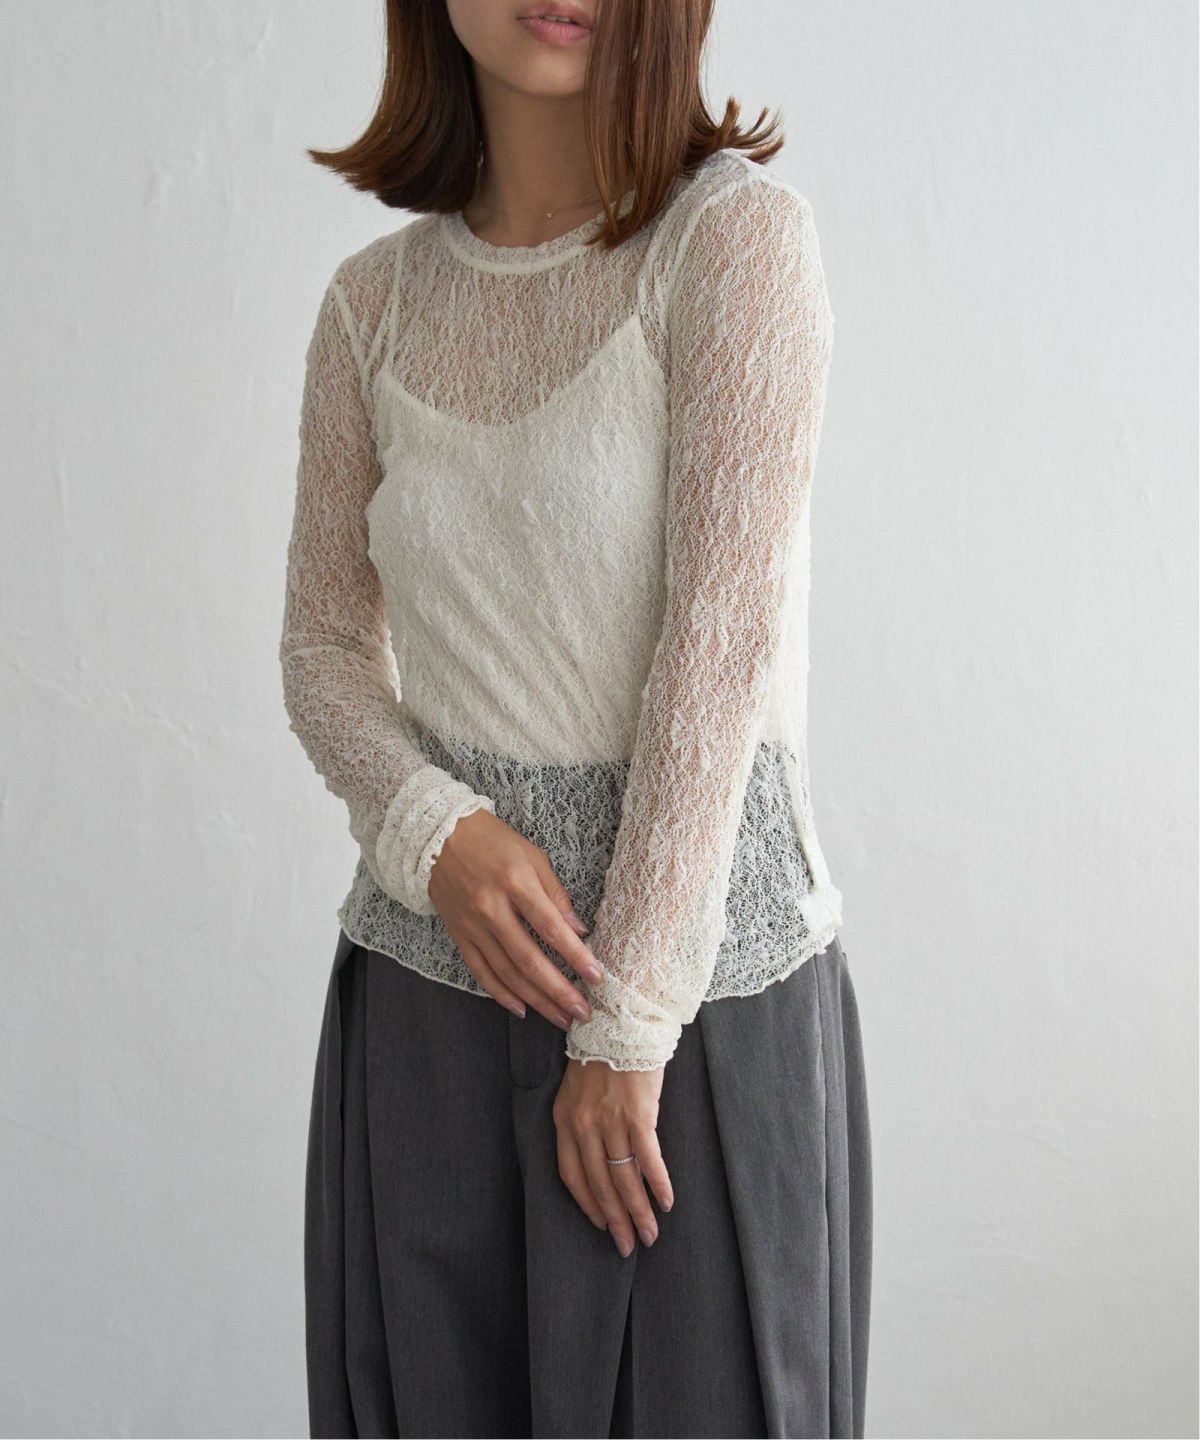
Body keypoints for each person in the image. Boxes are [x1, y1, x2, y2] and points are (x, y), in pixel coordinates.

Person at [279, 1, 873, 1435]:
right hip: (425, 1007)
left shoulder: (729, 242)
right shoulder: (371, 304)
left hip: (697, 1022)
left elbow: (720, 648)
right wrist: (438, 836)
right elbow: (322, 648)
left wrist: (626, 1030)